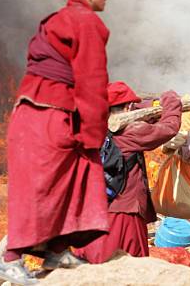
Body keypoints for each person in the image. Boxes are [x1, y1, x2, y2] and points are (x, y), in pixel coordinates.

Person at [0, 0, 111, 285]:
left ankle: (57, 248)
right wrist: (93, 132)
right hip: (48, 116)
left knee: (74, 177)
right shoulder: (86, 22)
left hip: (31, 113)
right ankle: (11, 259)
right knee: (39, 186)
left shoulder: (56, 19)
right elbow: (92, 82)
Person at [74, 82, 182, 263]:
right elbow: (170, 127)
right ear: (128, 107)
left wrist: (150, 104)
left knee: (90, 266)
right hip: (123, 212)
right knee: (127, 266)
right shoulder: (132, 131)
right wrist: (172, 100)